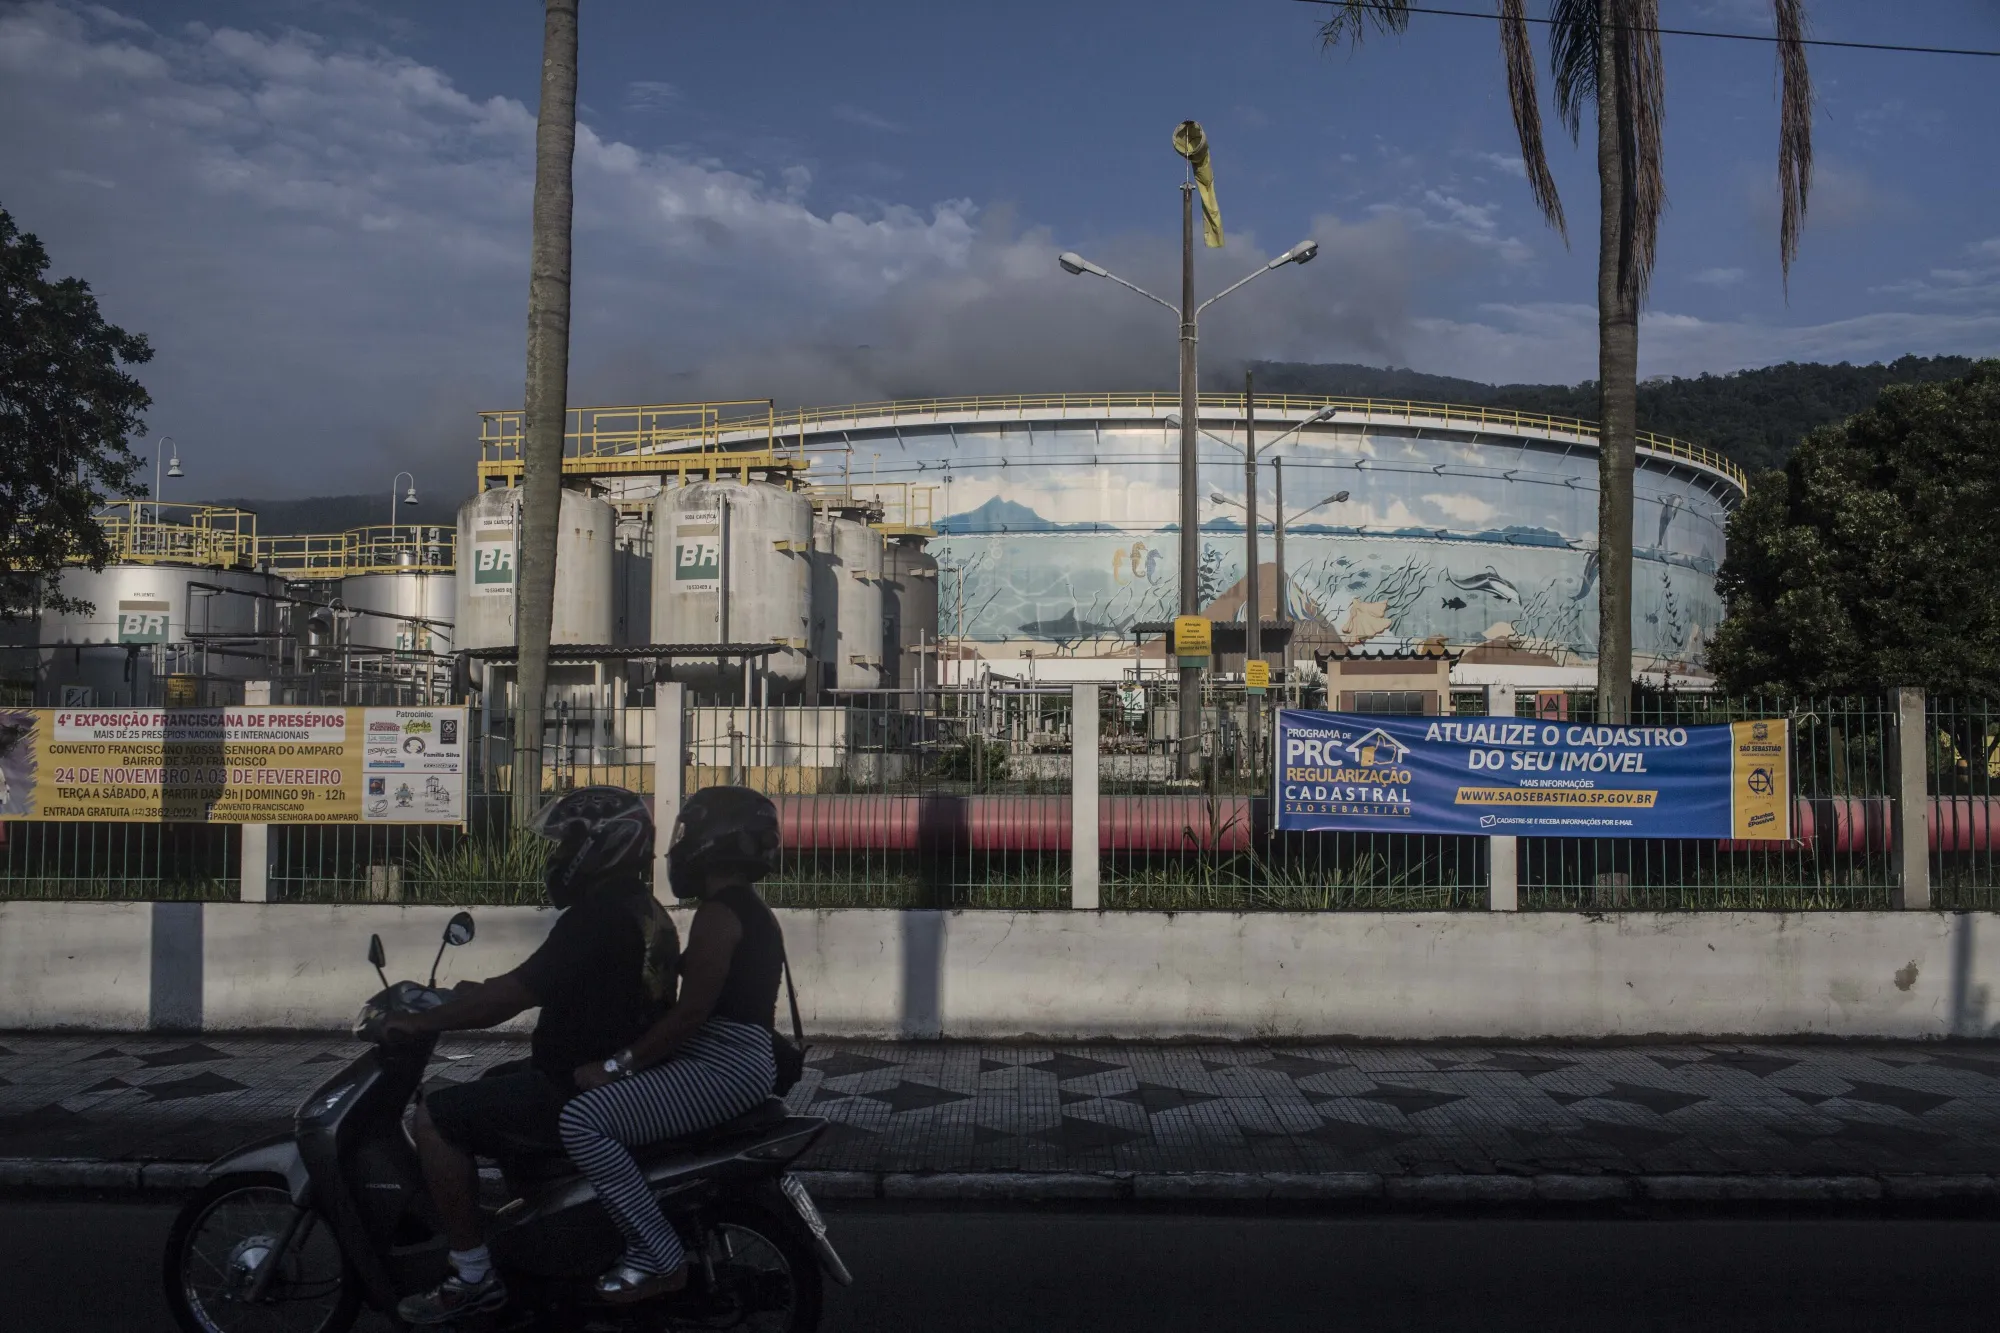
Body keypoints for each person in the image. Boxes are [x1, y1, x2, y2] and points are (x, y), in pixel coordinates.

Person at [386, 786, 678, 1326]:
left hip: (576, 1088)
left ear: (603, 843)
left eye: (568, 842)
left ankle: (473, 1275)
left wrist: (424, 1019)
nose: (557, 856)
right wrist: (468, 994)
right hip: (610, 1078)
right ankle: (538, 1242)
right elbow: (551, 981)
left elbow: (511, 998)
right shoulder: (639, 907)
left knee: (436, 1118)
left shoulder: (598, 915)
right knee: (497, 1077)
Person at [557, 784, 788, 1304]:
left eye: (687, 833)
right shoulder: (747, 909)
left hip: (723, 1066)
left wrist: (618, 1065)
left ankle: (658, 1256)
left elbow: (692, 1013)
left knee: (583, 1120)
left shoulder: (719, 914)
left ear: (712, 840)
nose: (678, 846)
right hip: (731, 1060)